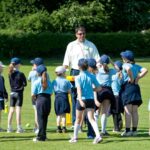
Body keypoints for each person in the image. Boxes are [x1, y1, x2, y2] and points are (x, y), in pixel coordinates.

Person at [63, 26, 100, 126]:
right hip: (75, 71)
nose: (82, 35)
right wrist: (64, 72)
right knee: (76, 96)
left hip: (88, 72)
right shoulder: (71, 45)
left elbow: (97, 59)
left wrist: (97, 69)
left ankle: (89, 121)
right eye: (79, 34)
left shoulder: (91, 45)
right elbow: (66, 61)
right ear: (76, 34)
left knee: (88, 96)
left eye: (83, 33)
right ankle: (77, 122)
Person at [69, 58, 102, 144]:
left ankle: (75, 138)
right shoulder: (92, 76)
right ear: (87, 66)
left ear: (79, 67)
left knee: (78, 119)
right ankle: (98, 136)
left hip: (82, 99)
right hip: (90, 99)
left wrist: (80, 100)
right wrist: (92, 89)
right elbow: (99, 88)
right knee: (91, 119)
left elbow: (79, 90)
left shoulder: (78, 77)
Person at [120, 50, 148, 136]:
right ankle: (134, 130)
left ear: (126, 59)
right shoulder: (136, 65)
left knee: (128, 111)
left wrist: (131, 78)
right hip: (136, 88)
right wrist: (138, 77)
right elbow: (145, 70)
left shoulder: (125, 65)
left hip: (128, 87)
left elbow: (128, 69)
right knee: (135, 111)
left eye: (123, 57)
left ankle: (128, 131)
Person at [96, 54, 116, 136]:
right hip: (108, 91)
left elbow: (93, 64)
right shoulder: (111, 70)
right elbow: (117, 68)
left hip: (99, 90)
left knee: (97, 111)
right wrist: (110, 60)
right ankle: (103, 131)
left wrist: (99, 61)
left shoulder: (98, 70)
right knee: (104, 112)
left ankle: (95, 130)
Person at [32, 65, 52, 142]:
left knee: (40, 119)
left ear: (38, 73)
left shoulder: (36, 82)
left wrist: (35, 99)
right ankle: (44, 135)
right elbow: (51, 93)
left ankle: (40, 137)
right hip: (48, 100)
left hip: (40, 100)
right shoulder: (49, 82)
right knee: (45, 119)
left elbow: (33, 94)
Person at [7, 57, 27, 133]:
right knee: (18, 110)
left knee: (11, 110)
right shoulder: (21, 74)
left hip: (12, 93)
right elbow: (25, 84)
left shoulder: (10, 73)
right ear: (18, 65)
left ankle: (9, 127)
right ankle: (19, 128)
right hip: (19, 94)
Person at [52, 66, 72, 133]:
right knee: (63, 114)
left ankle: (58, 127)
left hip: (57, 97)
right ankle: (63, 127)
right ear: (63, 73)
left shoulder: (54, 81)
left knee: (58, 114)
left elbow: (52, 90)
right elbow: (69, 91)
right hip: (64, 97)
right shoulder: (66, 81)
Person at [28, 57, 44, 134]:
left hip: (34, 94)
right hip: (42, 94)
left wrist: (32, 70)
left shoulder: (32, 73)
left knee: (36, 111)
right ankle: (38, 126)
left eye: (34, 64)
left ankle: (37, 127)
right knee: (40, 111)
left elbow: (29, 80)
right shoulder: (44, 73)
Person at [111, 60, 123, 132]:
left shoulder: (115, 76)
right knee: (117, 111)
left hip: (115, 95)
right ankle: (119, 122)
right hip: (120, 95)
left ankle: (116, 127)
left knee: (114, 112)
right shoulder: (122, 74)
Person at [0, 61, 8, 131]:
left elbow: (3, 88)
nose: (2, 69)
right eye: (1, 67)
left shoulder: (1, 77)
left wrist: (6, 96)